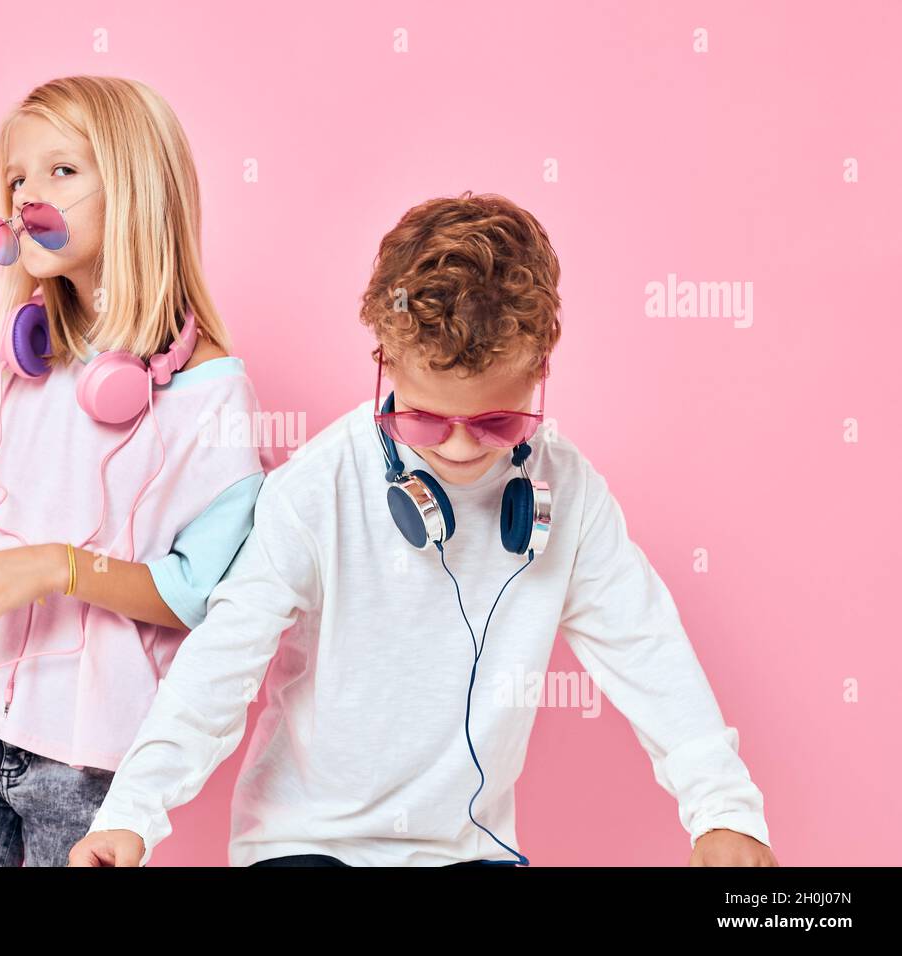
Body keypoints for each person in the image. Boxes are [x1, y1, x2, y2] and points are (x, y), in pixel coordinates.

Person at [69, 192, 777, 867]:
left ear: (542, 372)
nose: (463, 450)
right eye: (427, 421)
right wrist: (130, 815)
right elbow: (220, 665)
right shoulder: (316, 490)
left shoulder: (570, 494)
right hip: (304, 844)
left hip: (467, 850)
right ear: (385, 364)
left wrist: (724, 810)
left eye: (499, 422)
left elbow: (644, 644)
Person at [0, 76, 264, 866]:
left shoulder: (214, 397)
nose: (27, 191)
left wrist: (59, 568)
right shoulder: (4, 344)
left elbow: (193, 595)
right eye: (16, 177)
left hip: (91, 766)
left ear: (138, 192)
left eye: (61, 171)